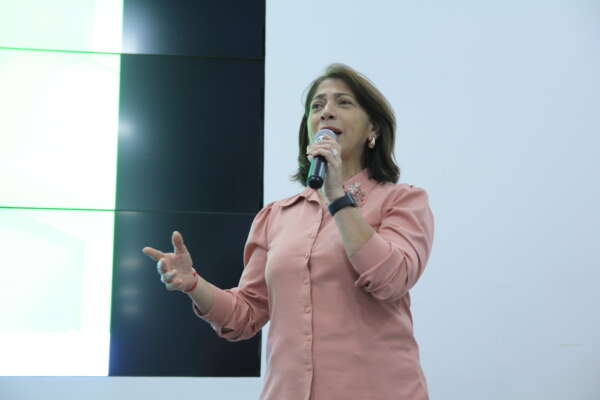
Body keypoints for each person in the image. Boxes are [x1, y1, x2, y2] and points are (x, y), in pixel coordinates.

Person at [143, 63, 434, 400]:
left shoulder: (403, 201)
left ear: (373, 130)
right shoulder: (276, 216)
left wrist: (337, 197)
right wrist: (193, 284)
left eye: (343, 102)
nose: (326, 112)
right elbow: (245, 315)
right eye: (317, 105)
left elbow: (391, 278)